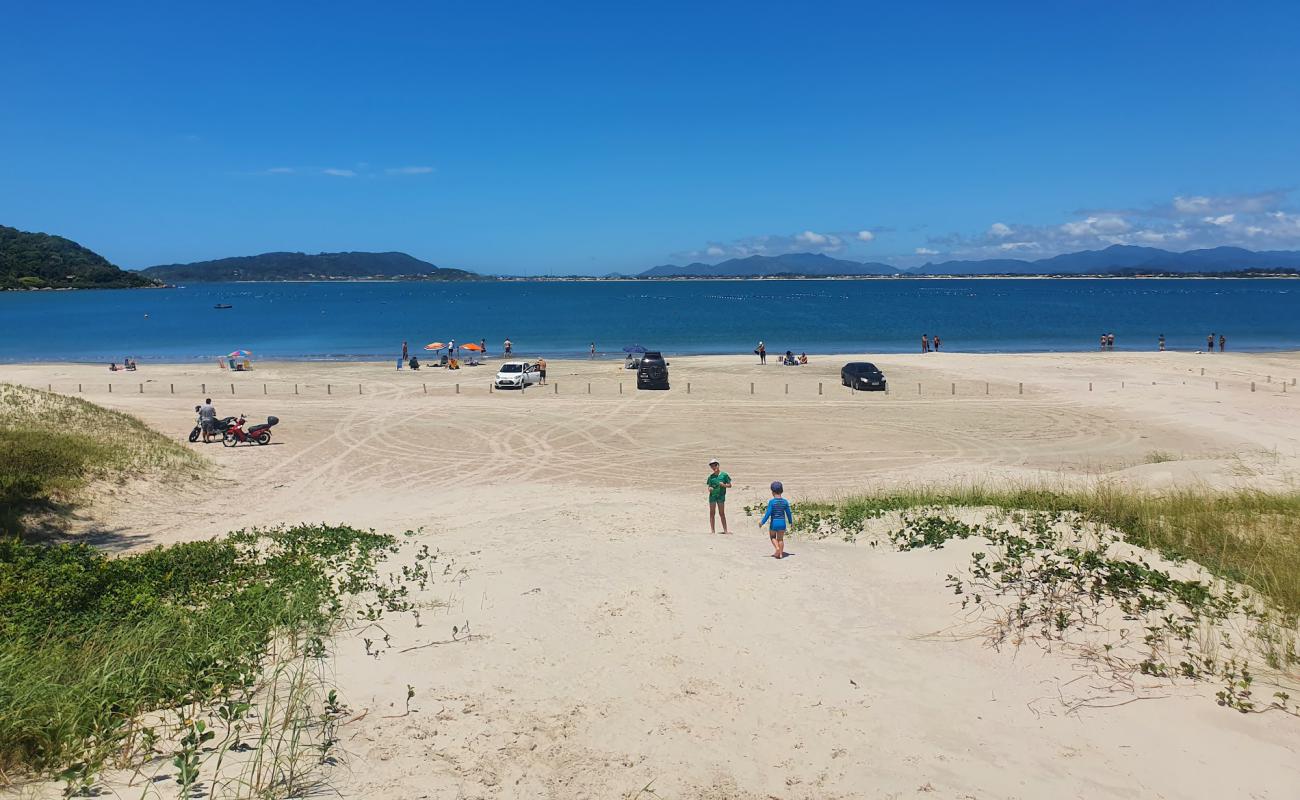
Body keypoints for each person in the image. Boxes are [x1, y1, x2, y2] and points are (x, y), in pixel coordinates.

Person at [759, 481, 793, 559]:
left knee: (772, 537)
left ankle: (777, 548)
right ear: (782, 491)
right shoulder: (785, 502)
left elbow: (768, 513)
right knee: (780, 539)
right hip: (782, 523)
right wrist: (791, 522)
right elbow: (788, 513)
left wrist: (762, 522)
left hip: (774, 523)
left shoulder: (772, 502)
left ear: (772, 492)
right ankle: (780, 554)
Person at [706, 458, 731, 534]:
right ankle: (713, 531)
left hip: (721, 496)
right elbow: (709, 486)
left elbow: (730, 485)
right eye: (712, 466)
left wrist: (723, 485)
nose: (714, 467)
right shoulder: (711, 477)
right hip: (712, 496)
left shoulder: (724, 475)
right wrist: (709, 488)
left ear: (718, 465)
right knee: (712, 513)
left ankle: (725, 530)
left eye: (715, 465)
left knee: (722, 513)